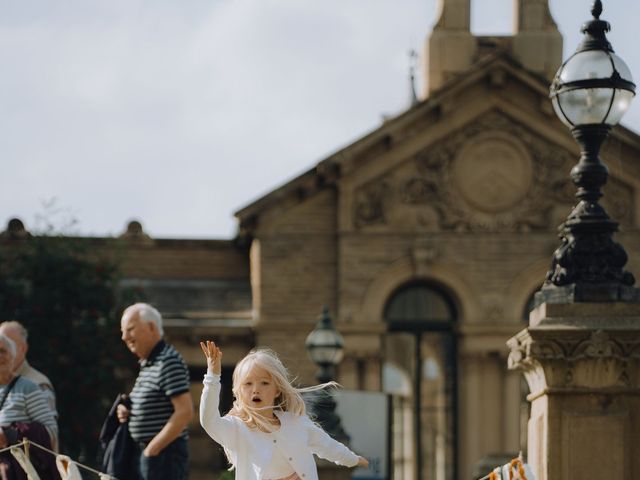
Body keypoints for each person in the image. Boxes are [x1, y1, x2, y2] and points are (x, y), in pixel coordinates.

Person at [199, 341, 369, 480]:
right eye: (248, 384)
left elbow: (327, 445)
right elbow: (209, 421)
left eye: (264, 383)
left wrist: (352, 459)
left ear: (277, 390)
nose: (255, 390)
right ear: (238, 391)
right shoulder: (236, 428)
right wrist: (212, 377)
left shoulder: (297, 422)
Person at [118, 303, 193, 480]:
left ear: (151, 327)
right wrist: (129, 412)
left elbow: (184, 411)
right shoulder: (150, 362)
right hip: (152, 456)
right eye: (123, 331)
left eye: (130, 329)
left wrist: (152, 450)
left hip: (163, 458)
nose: (124, 337)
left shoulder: (168, 361)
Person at [0, 334, 59, 478]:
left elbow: (50, 432)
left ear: (13, 357)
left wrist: (9, 435)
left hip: (20, 472)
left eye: (2, 351)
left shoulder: (28, 387)